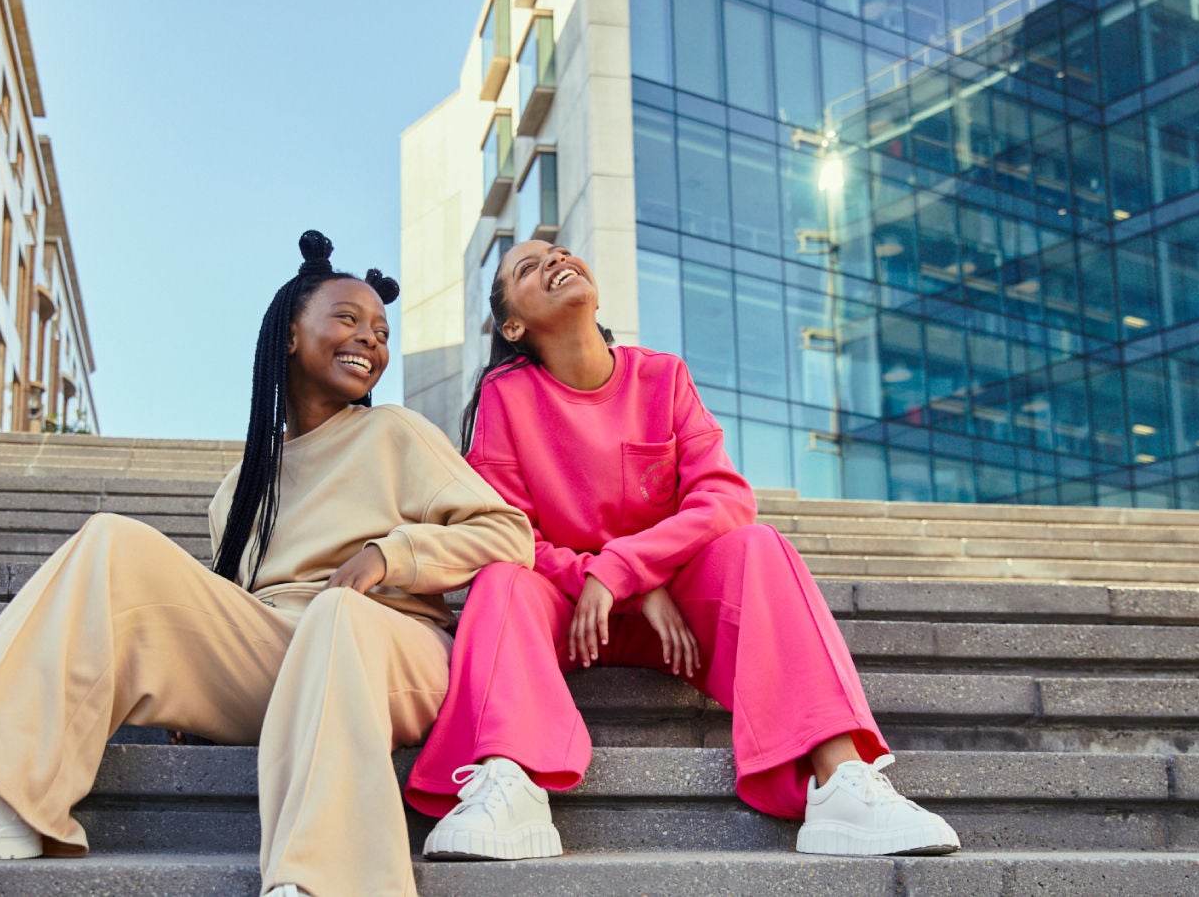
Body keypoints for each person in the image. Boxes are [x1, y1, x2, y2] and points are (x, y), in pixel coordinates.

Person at [0, 231, 536, 897]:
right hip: (280, 656)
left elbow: (509, 535)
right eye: (348, 318)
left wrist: (393, 554)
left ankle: (329, 881)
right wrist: (192, 677)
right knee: (111, 541)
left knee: (337, 616)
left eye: (382, 332)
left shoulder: (397, 432)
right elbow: (228, 605)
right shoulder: (240, 489)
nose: (370, 340)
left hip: (390, 653)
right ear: (289, 335)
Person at [404, 239, 960, 860]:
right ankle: (511, 780)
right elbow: (508, 531)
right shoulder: (508, 397)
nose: (555, 261)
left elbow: (723, 498)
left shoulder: (662, 376)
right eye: (529, 269)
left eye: (559, 251)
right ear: (514, 325)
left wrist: (630, 572)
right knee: (501, 577)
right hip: (566, 610)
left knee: (758, 544)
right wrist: (603, 576)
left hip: (678, 617)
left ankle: (841, 783)